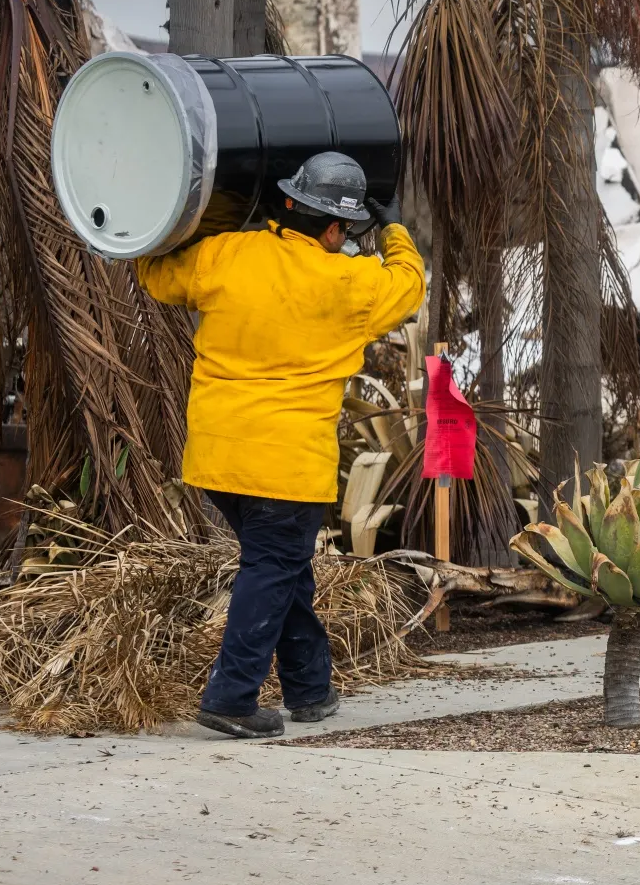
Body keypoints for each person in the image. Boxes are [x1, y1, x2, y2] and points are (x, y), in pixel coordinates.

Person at [136, 152, 425, 738]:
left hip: (216, 460)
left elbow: (155, 274)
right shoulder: (353, 282)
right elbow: (411, 285)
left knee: (284, 569)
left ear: (289, 203)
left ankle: (310, 688)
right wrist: (393, 225)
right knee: (271, 568)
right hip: (286, 466)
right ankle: (232, 698)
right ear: (335, 228)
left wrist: (201, 214)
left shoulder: (228, 256)